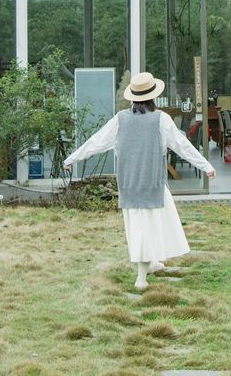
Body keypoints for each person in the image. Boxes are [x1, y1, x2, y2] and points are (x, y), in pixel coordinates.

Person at [63, 70, 216, 290]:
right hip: (152, 185)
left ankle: (151, 263)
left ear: (132, 97)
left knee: (139, 229)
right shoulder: (161, 119)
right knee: (149, 228)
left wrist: (72, 159)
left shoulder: (120, 120)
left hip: (129, 185)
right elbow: (182, 146)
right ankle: (141, 278)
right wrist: (206, 166)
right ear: (153, 96)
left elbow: (96, 142)